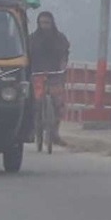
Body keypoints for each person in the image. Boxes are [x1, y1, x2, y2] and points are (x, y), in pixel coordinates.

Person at [30, 11, 70, 146]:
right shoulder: (32, 39)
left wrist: (62, 68)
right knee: (36, 103)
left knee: (58, 104)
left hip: (55, 74)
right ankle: (36, 127)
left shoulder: (60, 39)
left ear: (52, 23)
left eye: (47, 23)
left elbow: (64, 55)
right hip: (37, 74)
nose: (44, 26)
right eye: (42, 23)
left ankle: (54, 134)